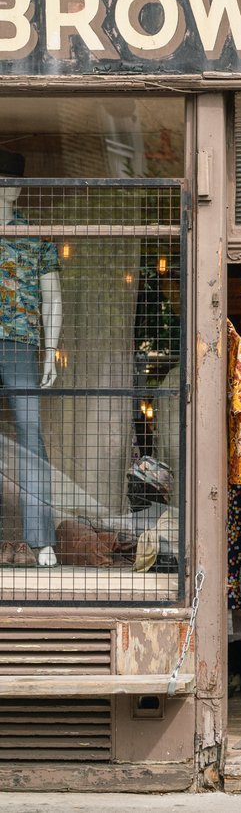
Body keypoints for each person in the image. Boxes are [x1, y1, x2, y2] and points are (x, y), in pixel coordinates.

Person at [0, 150, 60, 568]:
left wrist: (50, 349)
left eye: (12, 181)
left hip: (20, 343)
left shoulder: (37, 233)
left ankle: (40, 540)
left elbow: (53, 293)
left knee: (30, 435)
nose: (8, 188)